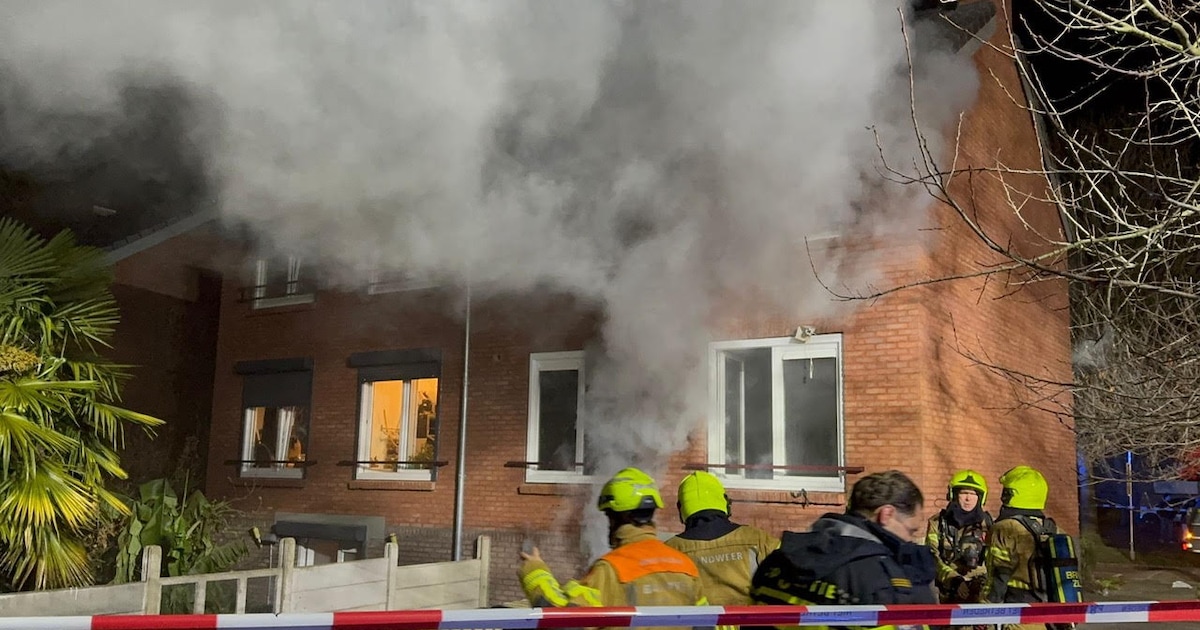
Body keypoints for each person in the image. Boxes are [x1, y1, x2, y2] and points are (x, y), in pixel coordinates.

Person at [518, 467, 706, 627]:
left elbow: (562, 620)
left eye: (608, 515)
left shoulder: (610, 570)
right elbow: (708, 624)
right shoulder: (685, 565)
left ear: (619, 517)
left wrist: (535, 572)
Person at [750, 470, 937, 630]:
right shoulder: (884, 582)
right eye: (911, 530)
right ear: (886, 514)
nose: (910, 540)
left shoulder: (779, 559)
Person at [665, 471, 779, 605]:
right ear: (725, 501)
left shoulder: (669, 550)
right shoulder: (758, 539)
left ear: (680, 508)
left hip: (699, 625)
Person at [984, 465, 1071, 630]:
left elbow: (997, 579)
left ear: (1010, 495)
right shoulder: (1054, 529)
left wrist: (982, 613)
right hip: (1054, 619)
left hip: (1020, 617)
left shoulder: (1005, 528)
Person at [926, 470, 992, 605]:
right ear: (953, 495)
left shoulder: (989, 524)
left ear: (981, 498)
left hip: (981, 594)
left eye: (973, 494)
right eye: (964, 493)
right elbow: (932, 556)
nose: (968, 499)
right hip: (949, 592)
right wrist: (954, 579)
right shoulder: (938, 522)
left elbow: (996, 561)